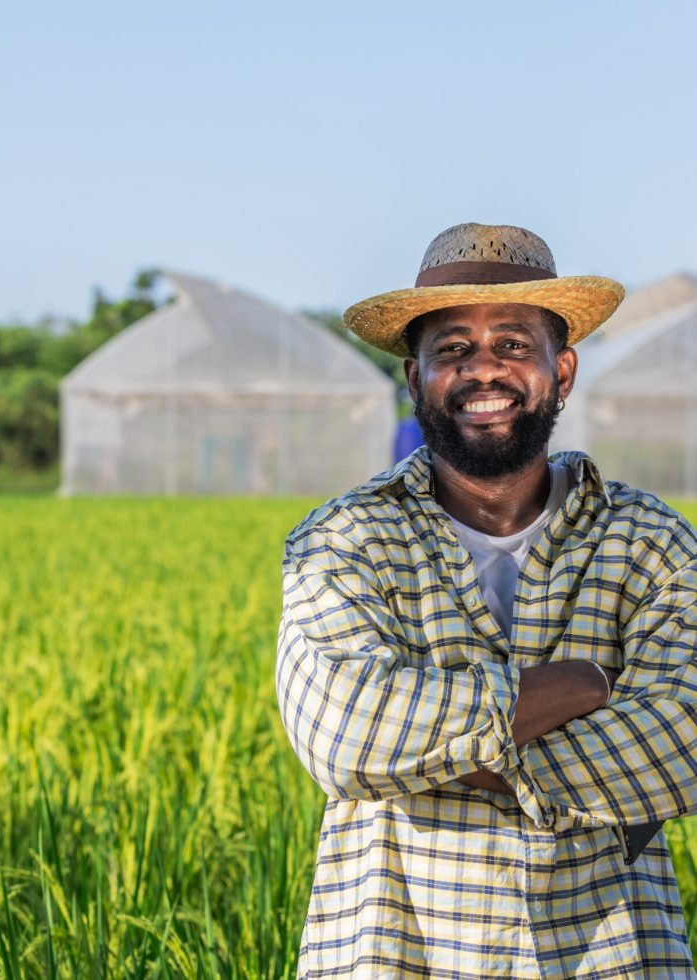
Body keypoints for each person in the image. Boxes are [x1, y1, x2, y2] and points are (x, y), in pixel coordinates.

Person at [276, 223, 697, 978]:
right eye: (453, 349)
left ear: (561, 372)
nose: (484, 372)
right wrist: (585, 687)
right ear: (414, 379)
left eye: (512, 344)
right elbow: (343, 733)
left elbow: (687, 742)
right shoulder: (345, 538)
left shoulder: (651, 541)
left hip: (610, 956)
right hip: (399, 953)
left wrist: (429, 753)